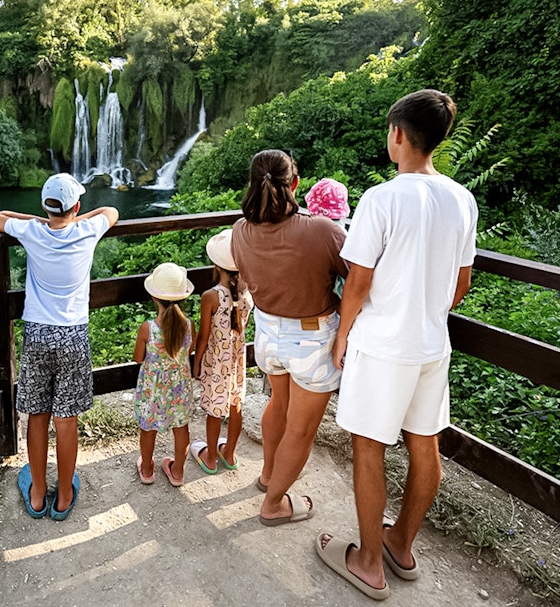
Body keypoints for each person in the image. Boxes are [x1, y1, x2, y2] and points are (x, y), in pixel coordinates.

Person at [316, 89, 478, 602]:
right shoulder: (462, 198)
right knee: (423, 443)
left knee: (368, 446)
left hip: (383, 346)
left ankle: (367, 562)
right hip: (432, 345)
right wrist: (425, 312)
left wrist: (343, 337)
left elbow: (358, 284)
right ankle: (400, 547)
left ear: (399, 135)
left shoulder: (381, 199)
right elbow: (461, 286)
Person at [0, 173, 119, 521]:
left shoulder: (32, 232)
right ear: (77, 207)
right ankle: (62, 496)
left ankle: (35, 494)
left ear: (44, 208)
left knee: (37, 414)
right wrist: (76, 218)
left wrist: (40, 221)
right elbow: (110, 210)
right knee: (66, 418)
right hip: (73, 336)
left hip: (38, 335)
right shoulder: (87, 230)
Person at [231, 149, 349, 526]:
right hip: (312, 339)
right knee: (301, 428)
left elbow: (248, 279)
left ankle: (268, 476)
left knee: (278, 404)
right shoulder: (323, 230)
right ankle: (274, 504)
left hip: (266, 334)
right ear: (295, 183)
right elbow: (359, 277)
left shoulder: (240, 230)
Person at [189, 229, 253, 476]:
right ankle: (230, 453)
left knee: (215, 410)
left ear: (217, 264)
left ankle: (211, 458)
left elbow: (204, 336)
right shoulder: (247, 295)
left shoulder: (211, 296)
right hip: (237, 359)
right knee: (236, 405)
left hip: (216, 361)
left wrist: (197, 363)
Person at [132, 262, 196, 487]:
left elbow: (138, 358)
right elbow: (188, 350)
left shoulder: (148, 328)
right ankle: (177, 472)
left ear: (154, 297)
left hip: (154, 389)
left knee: (148, 428)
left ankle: (147, 469)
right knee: (181, 427)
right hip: (180, 387)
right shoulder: (189, 325)